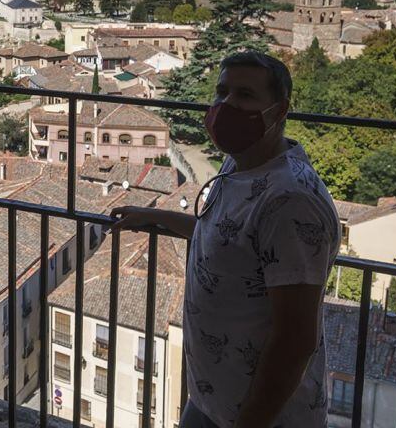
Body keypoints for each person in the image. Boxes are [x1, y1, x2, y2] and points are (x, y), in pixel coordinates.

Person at [110, 52, 340, 428]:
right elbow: (224, 233)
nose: (226, 105)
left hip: (263, 415)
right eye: (221, 92)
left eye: (245, 95)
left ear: (279, 111)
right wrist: (153, 216)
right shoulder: (240, 163)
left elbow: (296, 339)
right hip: (212, 399)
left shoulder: (292, 202)